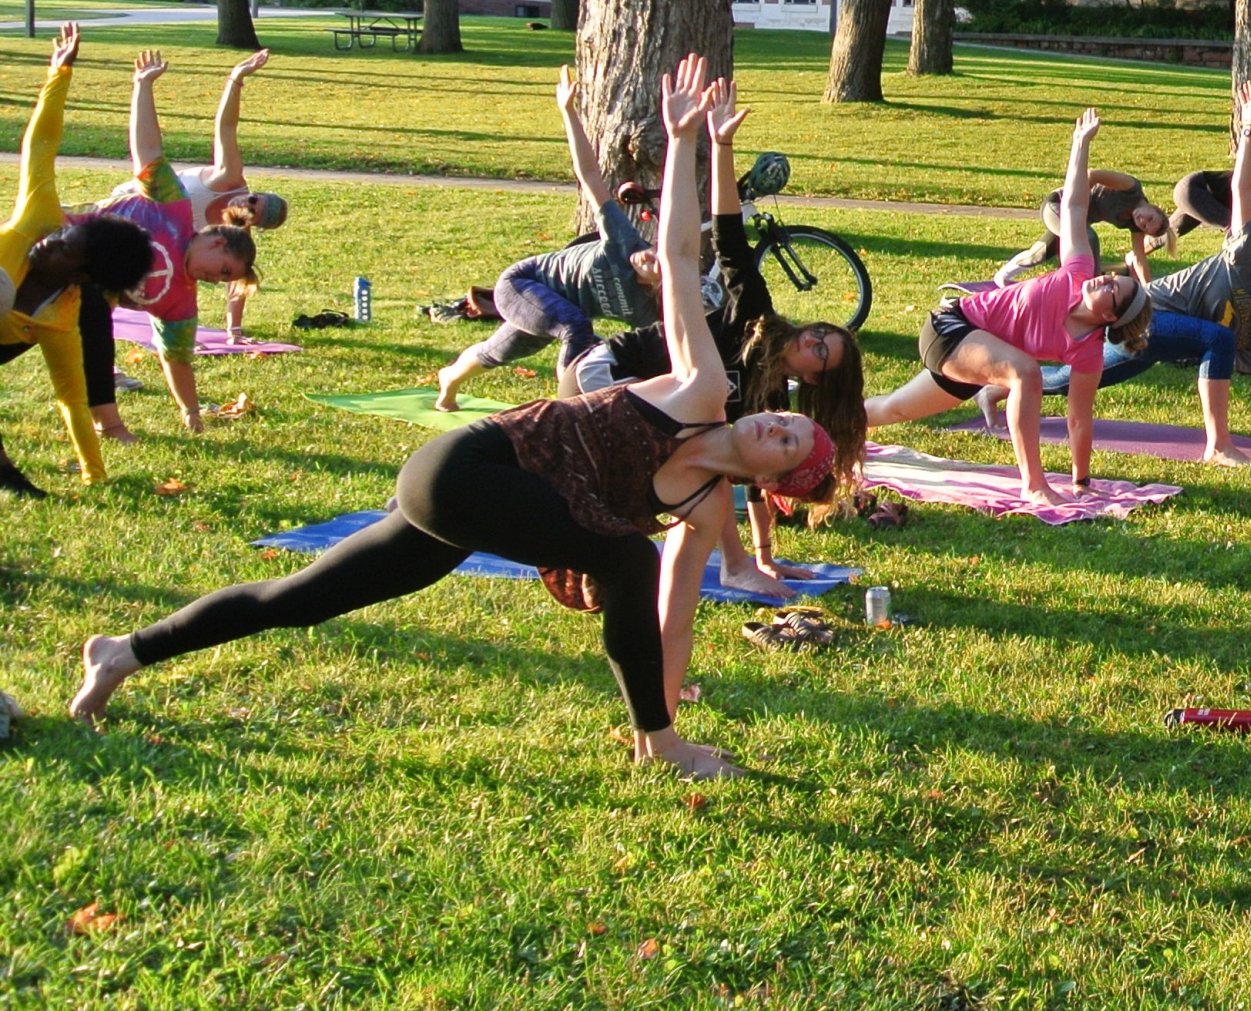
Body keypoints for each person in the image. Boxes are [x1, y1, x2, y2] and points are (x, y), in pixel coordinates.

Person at [72, 56, 837, 781]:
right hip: (464, 468)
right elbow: (675, 260)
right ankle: (658, 746)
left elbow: (669, 622)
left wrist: (666, 689)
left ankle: (122, 652)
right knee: (627, 556)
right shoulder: (700, 388)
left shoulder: (702, 508)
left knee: (300, 600)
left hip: (472, 508)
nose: (778, 425)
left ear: (772, 480)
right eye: (786, 420)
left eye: (789, 442)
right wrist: (682, 143)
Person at [566, 79, 867, 600]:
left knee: (694, 468)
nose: (812, 339)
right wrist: (721, 147)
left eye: (822, 351)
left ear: (815, 378)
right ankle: (598, 554)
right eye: (820, 333)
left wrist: (765, 558)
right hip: (608, 371)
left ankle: (713, 564)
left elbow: (747, 478)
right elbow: (729, 234)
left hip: (646, 412)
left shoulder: (771, 409)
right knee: (612, 465)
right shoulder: (757, 317)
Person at [979, 84, 1251, 468]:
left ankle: (994, 390)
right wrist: (1249, 126)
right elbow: (1243, 187)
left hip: (1156, 338)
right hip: (1143, 312)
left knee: (1074, 379)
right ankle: (1218, 446)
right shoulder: (1245, 254)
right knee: (1218, 339)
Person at [865, 108, 1153, 507]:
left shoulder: (1088, 353)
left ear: (1109, 316)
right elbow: (1072, 207)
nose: (1104, 278)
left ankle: (826, 425)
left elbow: (1079, 419)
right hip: (952, 327)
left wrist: (1082, 482)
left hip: (977, 357)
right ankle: (1033, 484)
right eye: (1112, 275)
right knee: (1025, 372)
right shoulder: (1077, 270)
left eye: (1113, 289)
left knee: (892, 410)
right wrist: (1080, 145)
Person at [433, 65, 661, 411]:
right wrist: (568, 112)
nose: (648, 256)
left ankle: (449, 378)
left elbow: (664, 349)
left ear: (660, 285)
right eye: (654, 250)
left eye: (657, 264)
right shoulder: (624, 240)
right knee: (577, 328)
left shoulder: (645, 310)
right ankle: (564, 411)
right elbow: (589, 175)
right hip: (522, 284)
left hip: (550, 309)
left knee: (496, 352)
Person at [66, 50, 261, 440]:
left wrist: (190, 409)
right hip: (54, 234)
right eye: (223, 270)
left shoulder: (181, 302)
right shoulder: (173, 207)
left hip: (71, 292)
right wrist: (143, 86)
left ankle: (109, 424)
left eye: (222, 281)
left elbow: (177, 359)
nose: (213, 279)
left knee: (91, 333)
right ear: (217, 240)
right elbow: (148, 153)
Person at [0, 25, 153, 493]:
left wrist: (95, 473)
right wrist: (59, 72)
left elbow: (72, 398)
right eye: (64, 235)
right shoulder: (37, 219)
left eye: (65, 249)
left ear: (83, 276)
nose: (51, 242)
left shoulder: (59, 319)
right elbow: (40, 146)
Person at [180, 49, 289, 346]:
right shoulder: (230, 178)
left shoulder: (236, 235)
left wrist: (234, 332)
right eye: (254, 198)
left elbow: (237, 280)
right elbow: (225, 127)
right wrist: (236, 77)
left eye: (253, 211)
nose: (247, 203)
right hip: (133, 199)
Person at [996, 163, 1171, 284]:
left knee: (1037, 255)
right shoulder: (1131, 188)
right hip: (1057, 205)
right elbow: (1091, 174)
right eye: (1149, 218)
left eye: (1145, 227)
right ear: (1154, 207)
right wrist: (1078, 204)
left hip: (1076, 221)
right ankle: (1087, 286)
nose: (1142, 222)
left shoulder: (1134, 225)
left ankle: (1001, 277)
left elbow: (1139, 259)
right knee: (1088, 238)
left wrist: (1149, 290)